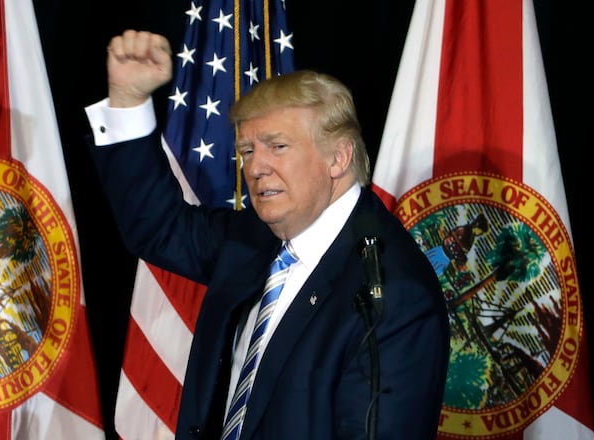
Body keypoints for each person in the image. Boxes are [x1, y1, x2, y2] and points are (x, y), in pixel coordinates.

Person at [86, 30, 450, 440]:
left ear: (338, 157)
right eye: (246, 151)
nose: (256, 167)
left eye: (277, 147)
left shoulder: (393, 295)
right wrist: (129, 101)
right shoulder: (255, 238)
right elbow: (160, 228)